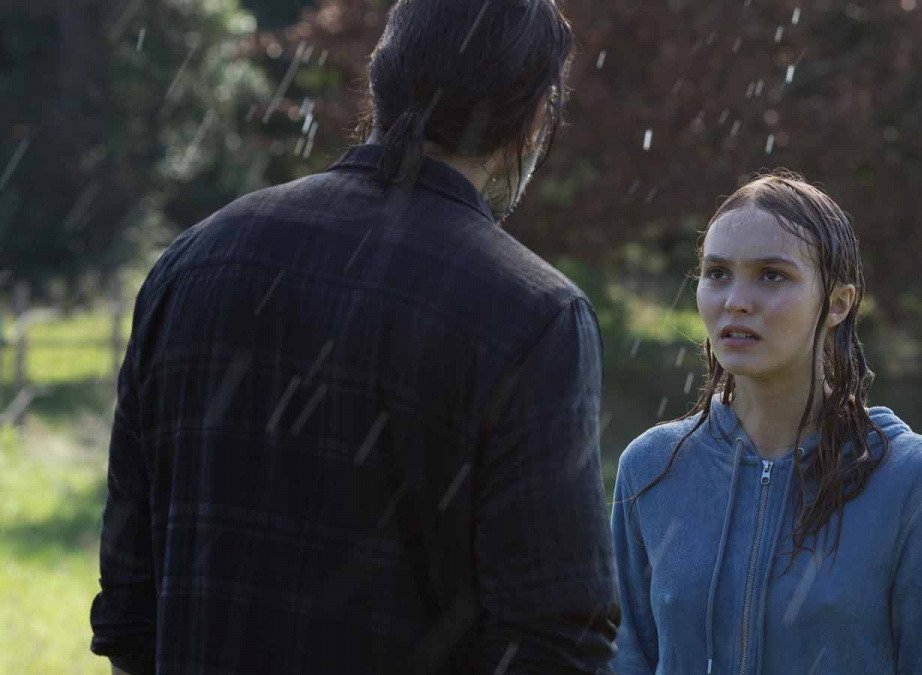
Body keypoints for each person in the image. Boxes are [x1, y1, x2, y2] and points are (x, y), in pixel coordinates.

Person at [89, 1, 620, 672]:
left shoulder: (193, 263)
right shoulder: (531, 314)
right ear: (537, 116)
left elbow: (129, 604)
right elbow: (556, 636)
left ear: (380, 83)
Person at [609, 173, 922, 674]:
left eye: (771, 275)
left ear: (838, 303)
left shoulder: (915, 480)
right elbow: (626, 660)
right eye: (717, 273)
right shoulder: (651, 468)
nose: (736, 300)